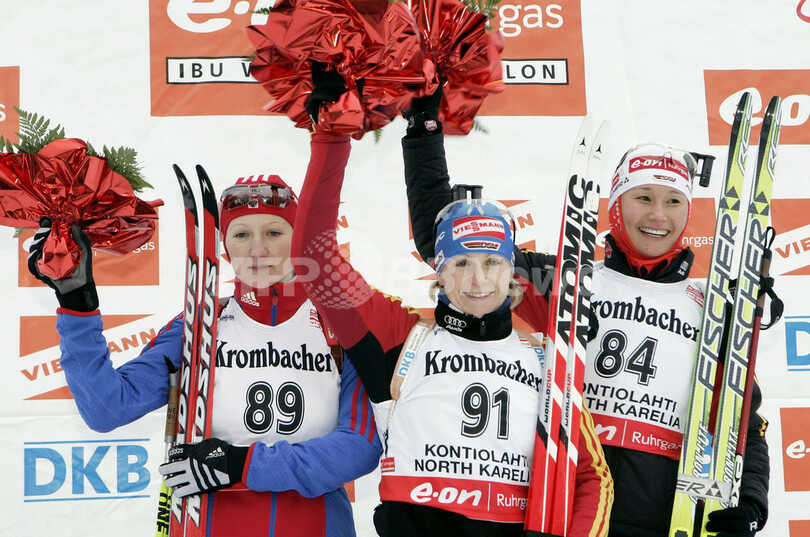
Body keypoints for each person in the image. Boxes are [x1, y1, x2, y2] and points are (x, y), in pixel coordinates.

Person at [401, 99, 770, 537]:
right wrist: (424, 132)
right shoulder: (565, 280)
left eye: (674, 201)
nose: (658, 215)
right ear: (616, 203)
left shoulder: (711, 307)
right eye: (643, 197)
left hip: (667, 518)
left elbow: (743, 423)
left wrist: (750, 505)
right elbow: (448, 244)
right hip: (568, 508)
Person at [288, 73, 613, 537]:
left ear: (514, 273)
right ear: (437, 271)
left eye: (492, 263)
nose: (477, 280)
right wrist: (332, 137)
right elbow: (313, 256)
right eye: (460, 264)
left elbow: (591, 478)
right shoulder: (400, 338)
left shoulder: (548, 358)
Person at [27, 173, 382, 536]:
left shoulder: (339, 329)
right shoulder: (200, 325)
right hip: (211, 524)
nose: (257, 250)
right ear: (224, 247)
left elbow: (360, 447)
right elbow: (108, 408)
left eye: (274, 232)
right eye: (241, 235)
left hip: (316, 526)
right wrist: (76, 301)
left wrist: (240, 463)